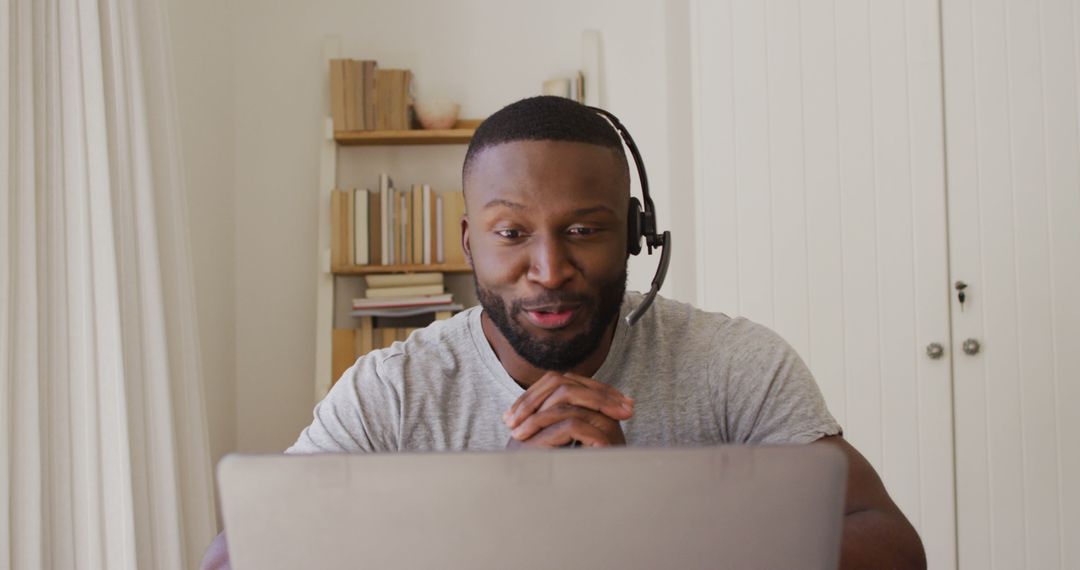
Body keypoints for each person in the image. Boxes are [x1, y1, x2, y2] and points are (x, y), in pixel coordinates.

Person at [201, 96, 925, 569]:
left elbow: (892, 547)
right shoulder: (394, 391)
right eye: (512, 232)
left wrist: (637, 516)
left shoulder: (735, 363)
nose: (548, 269)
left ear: (638, 235)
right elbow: (232, 558)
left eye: (584, 230)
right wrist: (495, 509)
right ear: (468, 243)